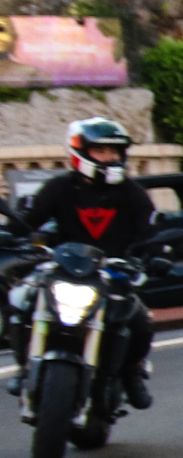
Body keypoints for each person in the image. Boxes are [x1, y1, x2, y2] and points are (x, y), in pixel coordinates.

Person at [8, 118, 161, 406]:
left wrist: (156, 251)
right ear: (80, 151)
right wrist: (11, 231)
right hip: (64, 268)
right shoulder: (59, 188)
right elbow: (28, 223)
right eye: (101, 150)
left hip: (113, 272)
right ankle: (25, 366)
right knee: (20, 300)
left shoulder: (132, 193)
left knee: (140, 321)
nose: (109, 157)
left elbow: (149, 230)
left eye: (114, 152)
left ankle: (130, 372)